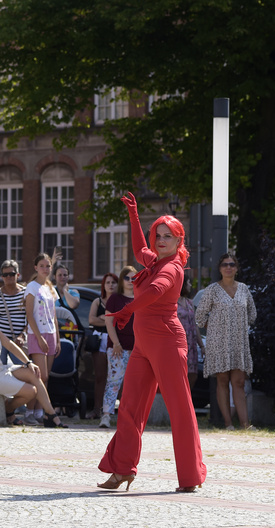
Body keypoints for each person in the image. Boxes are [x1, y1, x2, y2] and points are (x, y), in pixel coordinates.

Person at [99, 192, 207, 493]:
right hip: (145, 346)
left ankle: (191, 477)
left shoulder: (172, 268)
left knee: (180, 410)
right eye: (157, 235)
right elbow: (138, 248)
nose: (160, 240)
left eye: (167, 236)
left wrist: (124, 311)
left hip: (168, 344)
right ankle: (121, 470)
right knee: (130, 407)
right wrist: (134, 215)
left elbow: (153, 293)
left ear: (178, 241)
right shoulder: (153, 261)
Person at [0, 297, 67, 427]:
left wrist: (28, 362)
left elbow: (10, 345)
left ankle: (50, 414)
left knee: (33, 372)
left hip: (0, 370)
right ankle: (8, 410)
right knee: (31, 391)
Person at [195, 253, 257, 430]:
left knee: (238, 382)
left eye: (231, 264)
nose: (228, 267)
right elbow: (199, 316)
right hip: (218, 342)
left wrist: (239, 325)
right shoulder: (212, 290)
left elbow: (252, 313)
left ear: (236, 268)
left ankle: (245, 425)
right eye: (224, 264)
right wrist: (214, 328)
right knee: (222, 381)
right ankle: (228, 423)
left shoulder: (244, 289)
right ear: (220, 268)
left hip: (239, 342)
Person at [24, 253, 61, 425]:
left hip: (51, 333)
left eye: (48, 266)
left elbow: (53, 316)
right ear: (36, 267)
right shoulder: (31, 287)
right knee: (40, 376)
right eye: (42, 266)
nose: (45, 269)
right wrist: (39, 337)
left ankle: (40, 412)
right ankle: (29, 411)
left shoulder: (50, 288)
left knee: (46, 377)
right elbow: (29, 315)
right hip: (37, 334)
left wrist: (58, 339)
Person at [100, 266, 136, 428]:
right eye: (127, 278)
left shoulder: (140, 298)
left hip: (136, 348)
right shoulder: (115, 299)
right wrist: (116, 343)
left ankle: (128, 417)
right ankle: (106, 415)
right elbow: (109, 322)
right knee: (113, 381)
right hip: (117, 347)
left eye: (134, 278)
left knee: (132, 385)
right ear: (122, 280)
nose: (130, 281)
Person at [87, 272, 119, 419]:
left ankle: (113, 410)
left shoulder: (120, 301)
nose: (110, 285)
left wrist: (105, 319)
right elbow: (92, 320)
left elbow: (119, 323)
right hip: (100, 340)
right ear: (103, 285)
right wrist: (108, 321)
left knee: (116, 377)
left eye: (113, 282)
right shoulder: (97, 302)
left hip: (117, 341)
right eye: (107, 283)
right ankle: (97, 409)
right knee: (100, 376)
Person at [0, 260, 27, 365]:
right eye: (5, 274)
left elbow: (31, 318)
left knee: (23, 370)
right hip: (0, 340)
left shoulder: (26, 293)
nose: (9, 277)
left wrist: (23, 335)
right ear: (2, 277)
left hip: (19, 341)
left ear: (18, 275)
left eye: (12, 274)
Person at [178, 277, 205, 389]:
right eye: (189, 282)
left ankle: (186, 401)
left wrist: (202, 346)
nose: (190, 285)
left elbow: (195, 325)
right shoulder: (171, 303)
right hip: (178, 344)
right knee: (179, 375)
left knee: (193, 375)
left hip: (191, 345)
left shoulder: (189, 303)